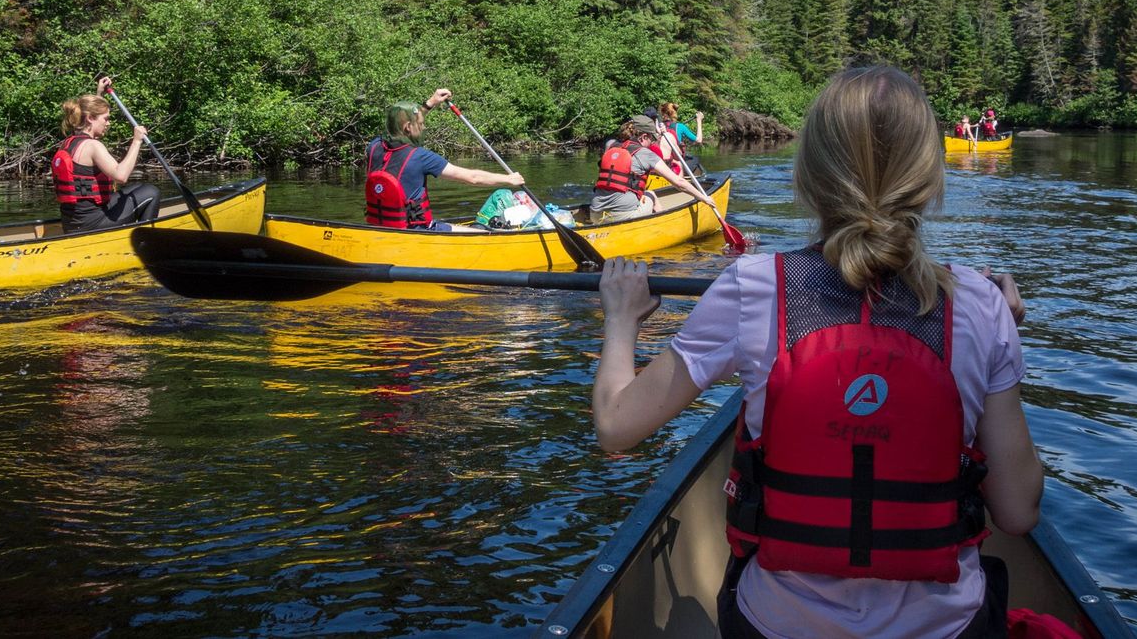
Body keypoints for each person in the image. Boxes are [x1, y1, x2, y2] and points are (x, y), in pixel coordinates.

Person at [593, 66, 1043, 639]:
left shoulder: (751, 288)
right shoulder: (980, 303)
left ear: (809, 175)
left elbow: (616, 426)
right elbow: (1017, 512)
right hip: (949, 629)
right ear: (930, 179)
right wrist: (1004, 339)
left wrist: (621, 320)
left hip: (775, 626)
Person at [363, 88, 524, 231]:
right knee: (482, 234)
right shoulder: (421, 157)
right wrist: (509, 179)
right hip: (418, 230)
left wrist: (430, 103)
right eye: (421, 124)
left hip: (381, 227)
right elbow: (472, 177)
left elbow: (401, 125)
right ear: (408, 127)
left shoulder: (374, 147)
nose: (424, 127)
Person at [52, 77, 160, 233]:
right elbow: (121, 176)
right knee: (151, 192)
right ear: (90, 118)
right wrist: (136, 141)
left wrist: (99, 94)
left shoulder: (69, 142)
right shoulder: (93, 146)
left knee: (139, 187)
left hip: (73, 221)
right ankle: (144, 241)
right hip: (91, 224)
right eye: (106, 119)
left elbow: (89, 121)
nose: (108, 123)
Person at [591, 114, 721, 222]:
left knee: (643, 194)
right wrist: (703, 198)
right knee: (651, 195)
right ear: (643, 137)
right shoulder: (645, 154)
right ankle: (662, 224)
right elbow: (679, 183)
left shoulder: (612, 147)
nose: (653, 143)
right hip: (621, 216)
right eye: (652, 139)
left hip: (595, 214)